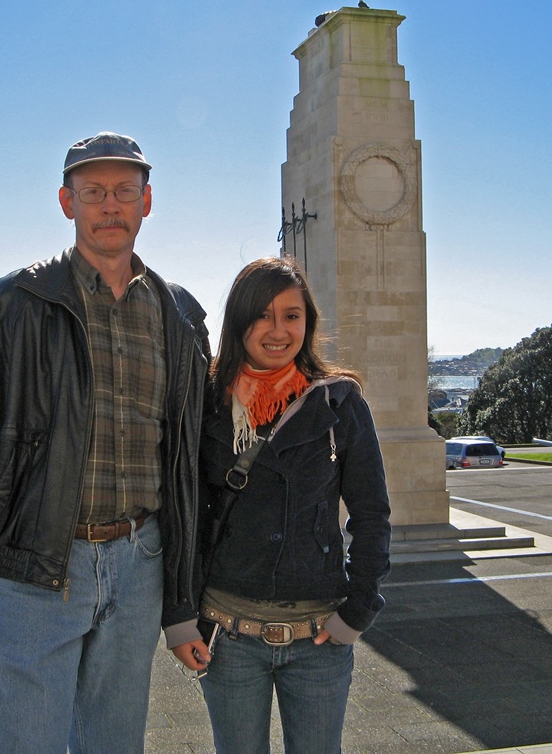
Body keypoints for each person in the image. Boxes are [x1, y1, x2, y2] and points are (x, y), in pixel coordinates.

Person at [0, 132, 211, 754]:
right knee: (27, 743)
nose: (111, 206)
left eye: (124, 193)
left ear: (147, 201)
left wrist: (184, 595)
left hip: (139, 564)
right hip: (34, 570)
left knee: (114, 743)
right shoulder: (16, 303)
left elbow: (186, 459)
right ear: (66, 202)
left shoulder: (177, 315)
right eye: (94, 193)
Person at [171, 256, 392, 754]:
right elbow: (183, 514)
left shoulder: (338, 404)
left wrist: (357, 612)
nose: (278, 330)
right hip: (226, 638)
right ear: (238, 322)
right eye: (263, 315)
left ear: (308, 322)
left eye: (291, 315)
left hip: (318, 639)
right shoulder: (205, 400)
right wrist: (178, 616)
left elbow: (372, 515)